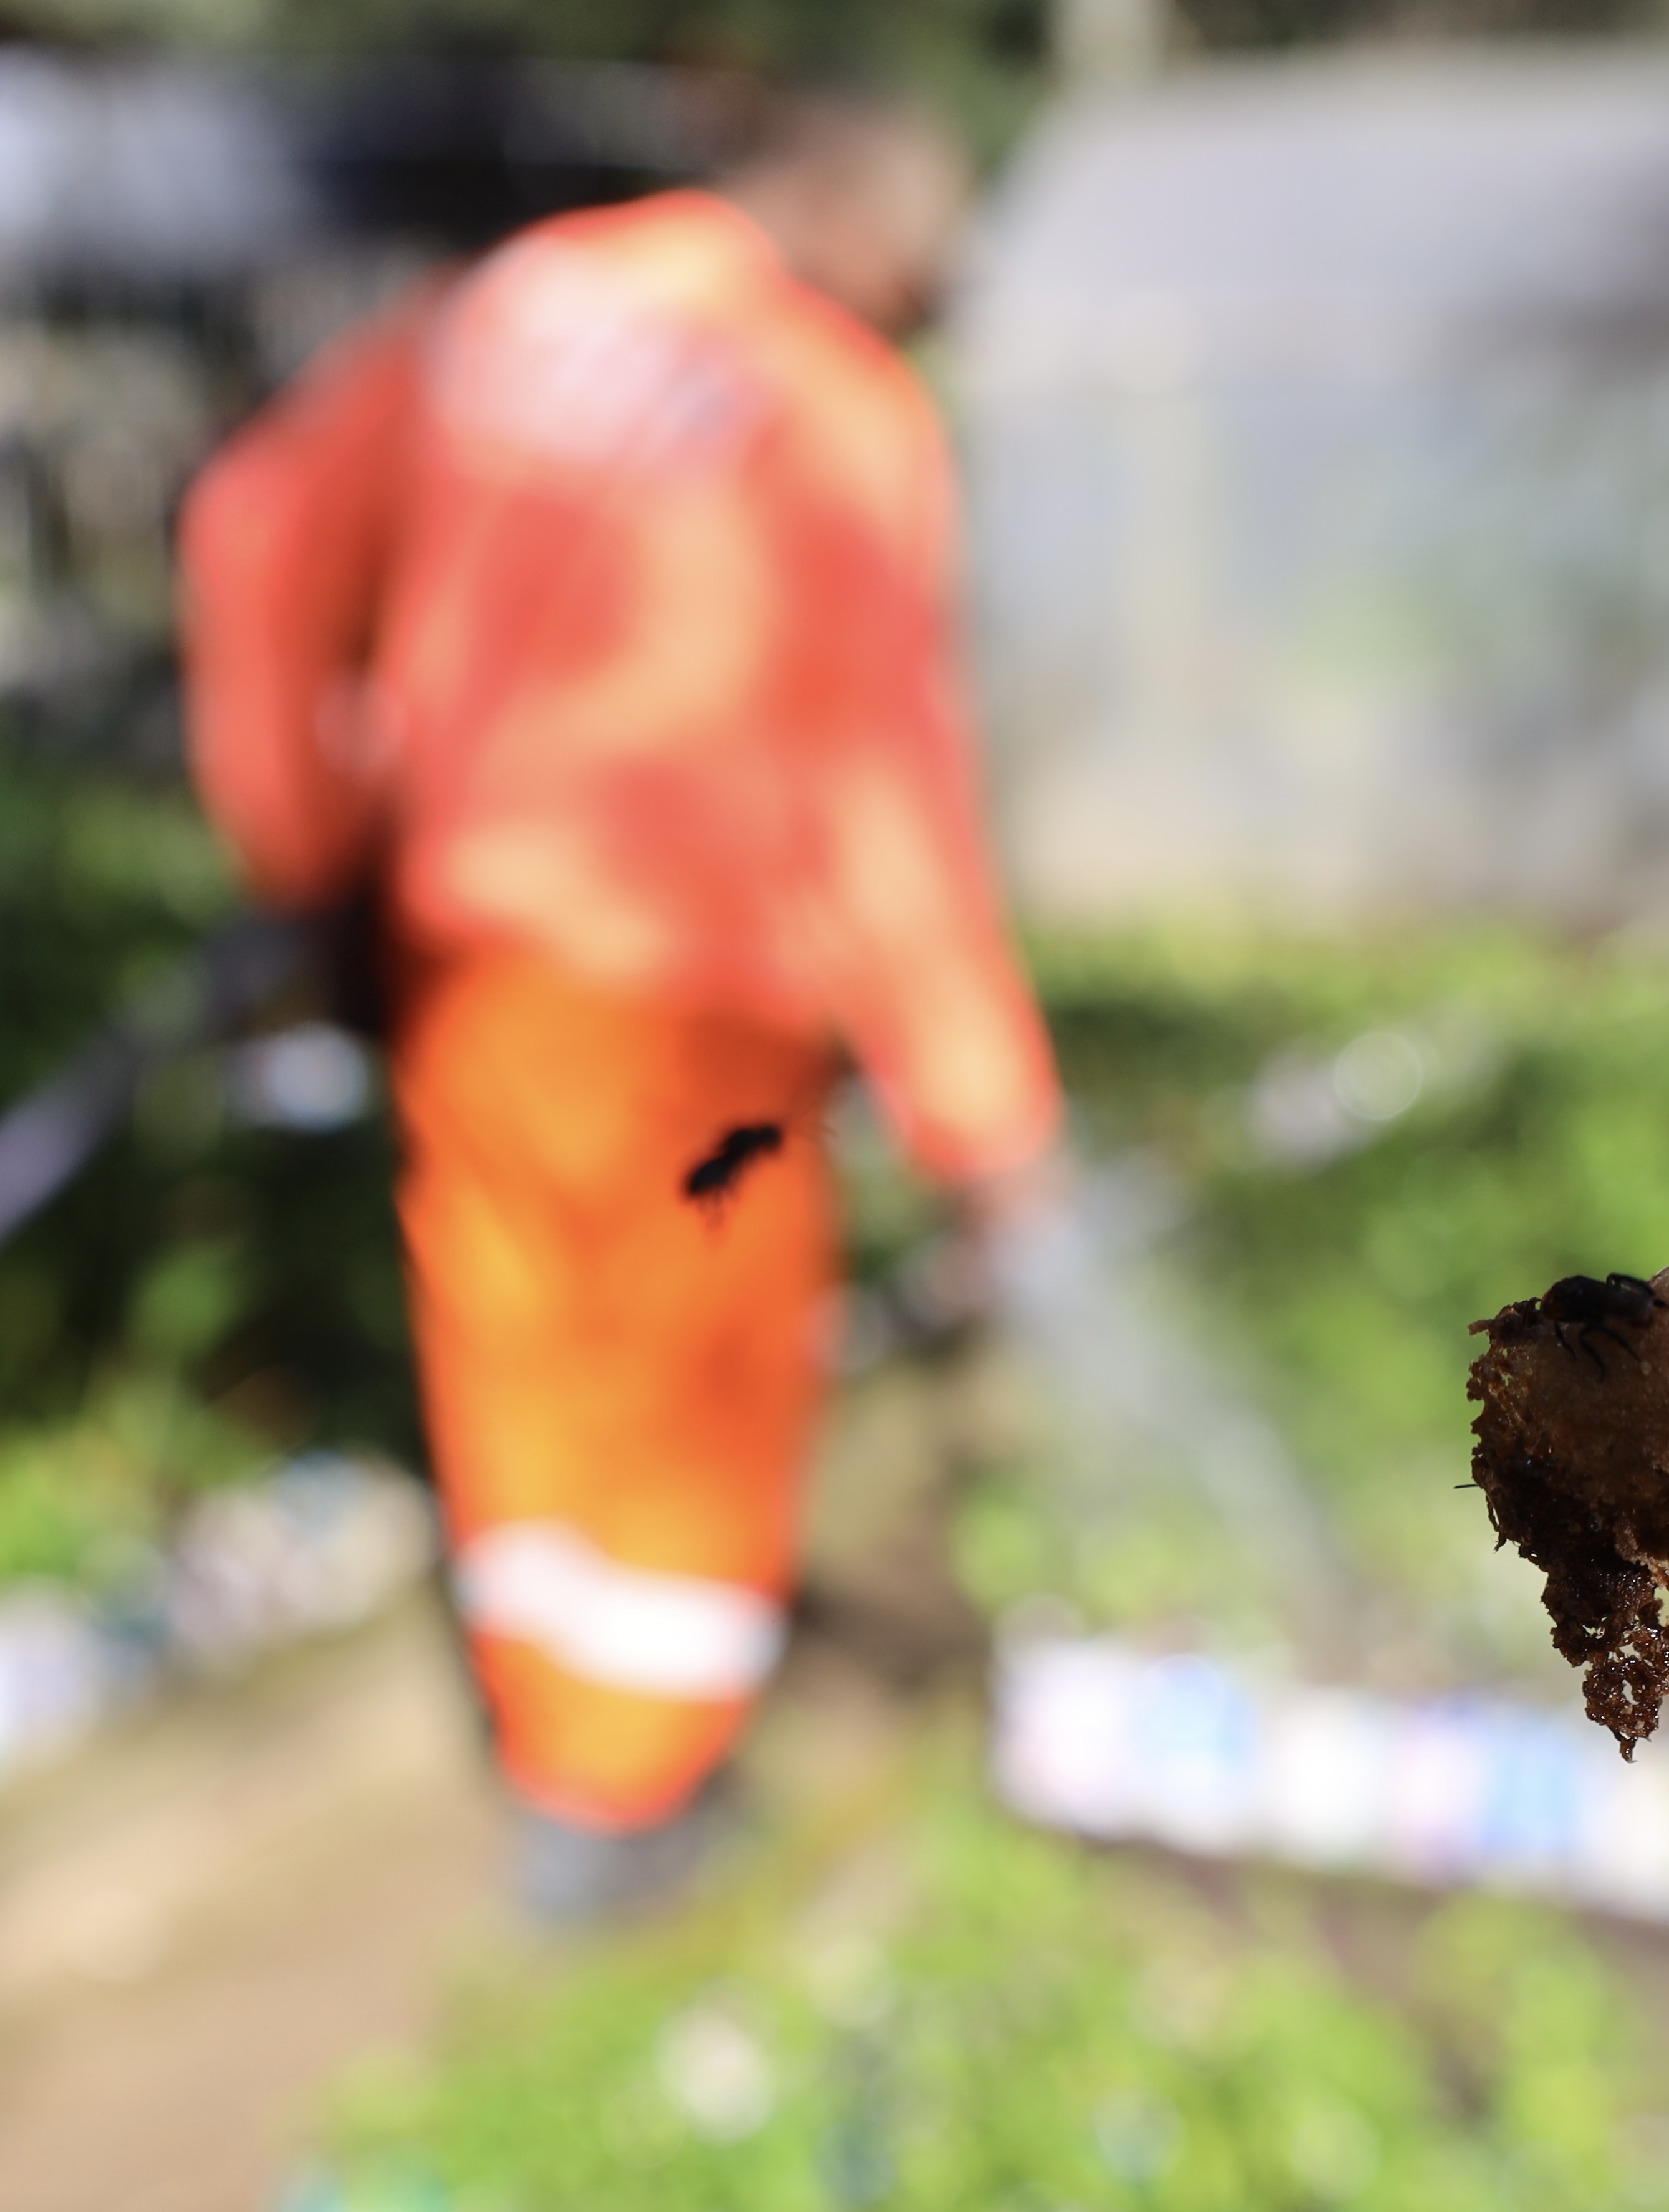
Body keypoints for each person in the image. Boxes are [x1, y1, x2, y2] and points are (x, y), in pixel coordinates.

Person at [178, 93, 1063, 1915]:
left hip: (473, 960)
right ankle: (626, 1824)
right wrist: (984, 1117)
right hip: (696, 998)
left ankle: (555, 1755)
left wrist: (306, 847)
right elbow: (884, 800)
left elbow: (256, 523)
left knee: (518, 1338)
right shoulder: (833, 412)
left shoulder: (519, 305)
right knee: (688, 1396)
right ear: (878, 245)